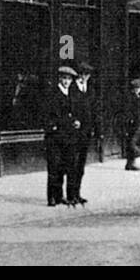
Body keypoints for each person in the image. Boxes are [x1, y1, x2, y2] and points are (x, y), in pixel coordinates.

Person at [43, 65, 81, 207]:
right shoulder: (52, 94)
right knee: (54, 167)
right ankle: (52, 197)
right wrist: (69, 121)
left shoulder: (71, 94)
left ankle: (61, 196)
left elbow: (75, 112)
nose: (66, 81)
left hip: (69, 137)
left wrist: (76, 120)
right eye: (64, 78)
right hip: (55, 137)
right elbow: (51, 116)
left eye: (69, 79)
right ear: (59, 78)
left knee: (66, 166)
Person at [68, 62, 95, 205]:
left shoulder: (89, 89)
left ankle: (77, 193)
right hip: (74, 132)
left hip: (85, 132)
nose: (85, 77)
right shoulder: (72, 89)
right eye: (83, 74)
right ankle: (71, 194)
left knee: (81, 165)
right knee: (72, 163)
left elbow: (93, 109)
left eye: (87, 75)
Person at [124, 77, 140, 170]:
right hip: (132, 124)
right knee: (131, 143)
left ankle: (131, 162)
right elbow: (129, 111)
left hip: (136, 123)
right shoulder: (131, 98)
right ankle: (130, 163)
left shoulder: (137, 97)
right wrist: (131, 120)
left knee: (133, 142)